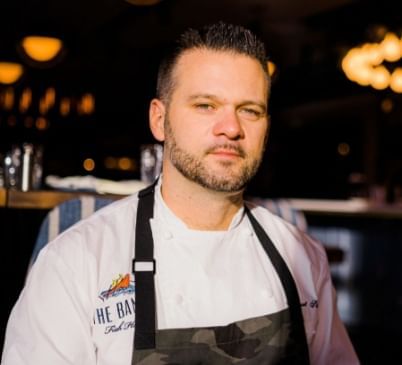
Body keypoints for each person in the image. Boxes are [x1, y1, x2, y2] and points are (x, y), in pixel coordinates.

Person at [1, 22, 359, 365]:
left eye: (250, 110)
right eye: (205, 105)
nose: (231, 128)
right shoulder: (76, 263)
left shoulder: (303, 257)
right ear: (159, 120)